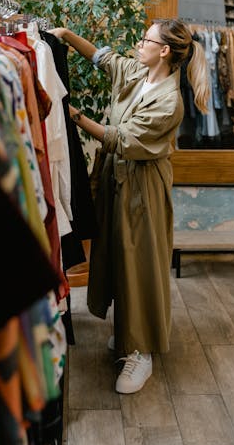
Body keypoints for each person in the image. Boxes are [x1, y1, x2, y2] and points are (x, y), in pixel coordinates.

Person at [50, 19, 209, 393]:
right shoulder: (140, 72)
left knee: (141, 265)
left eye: (146, 39)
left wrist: (71, 116)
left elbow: (122, 139)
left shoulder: (170, 102)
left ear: (164, 51)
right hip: (115, 178)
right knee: (119, 256)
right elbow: (105, 60)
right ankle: (127, 331)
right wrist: (66, 37)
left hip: (143, 187)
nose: (139, 44)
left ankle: (143, 350)